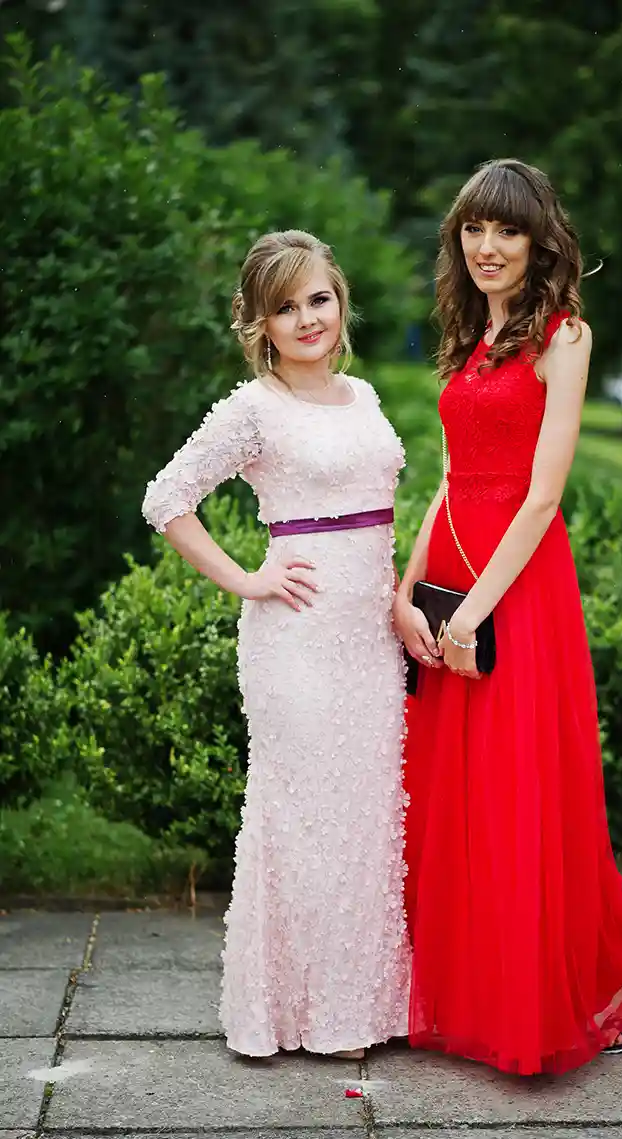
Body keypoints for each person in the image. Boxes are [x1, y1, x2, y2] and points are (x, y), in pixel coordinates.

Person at [394, 160, 622, 1075]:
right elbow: (448, 475)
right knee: (457, 799)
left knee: (526, 801)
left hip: (516, 586)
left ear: (539, 242)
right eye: (475, 230)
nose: (487, 248)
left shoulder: (564, 336)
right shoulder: (467, 336)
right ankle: (474, 991)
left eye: (508, 232)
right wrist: (407, 592)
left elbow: (542, 497)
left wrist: (472, 614)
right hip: (450, 575)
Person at [142, 230, 410, 1060]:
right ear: (259, 321)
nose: (306, 319)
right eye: (285, 307)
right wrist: (246, 579)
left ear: (341, 302)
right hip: (295, 643)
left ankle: (362, 1009)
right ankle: (301, 1016)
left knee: (369, 822)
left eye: (318, 299)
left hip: (371, 641)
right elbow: (166, 498)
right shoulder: (253, 408)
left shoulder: (363, 397)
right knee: (304, 822)